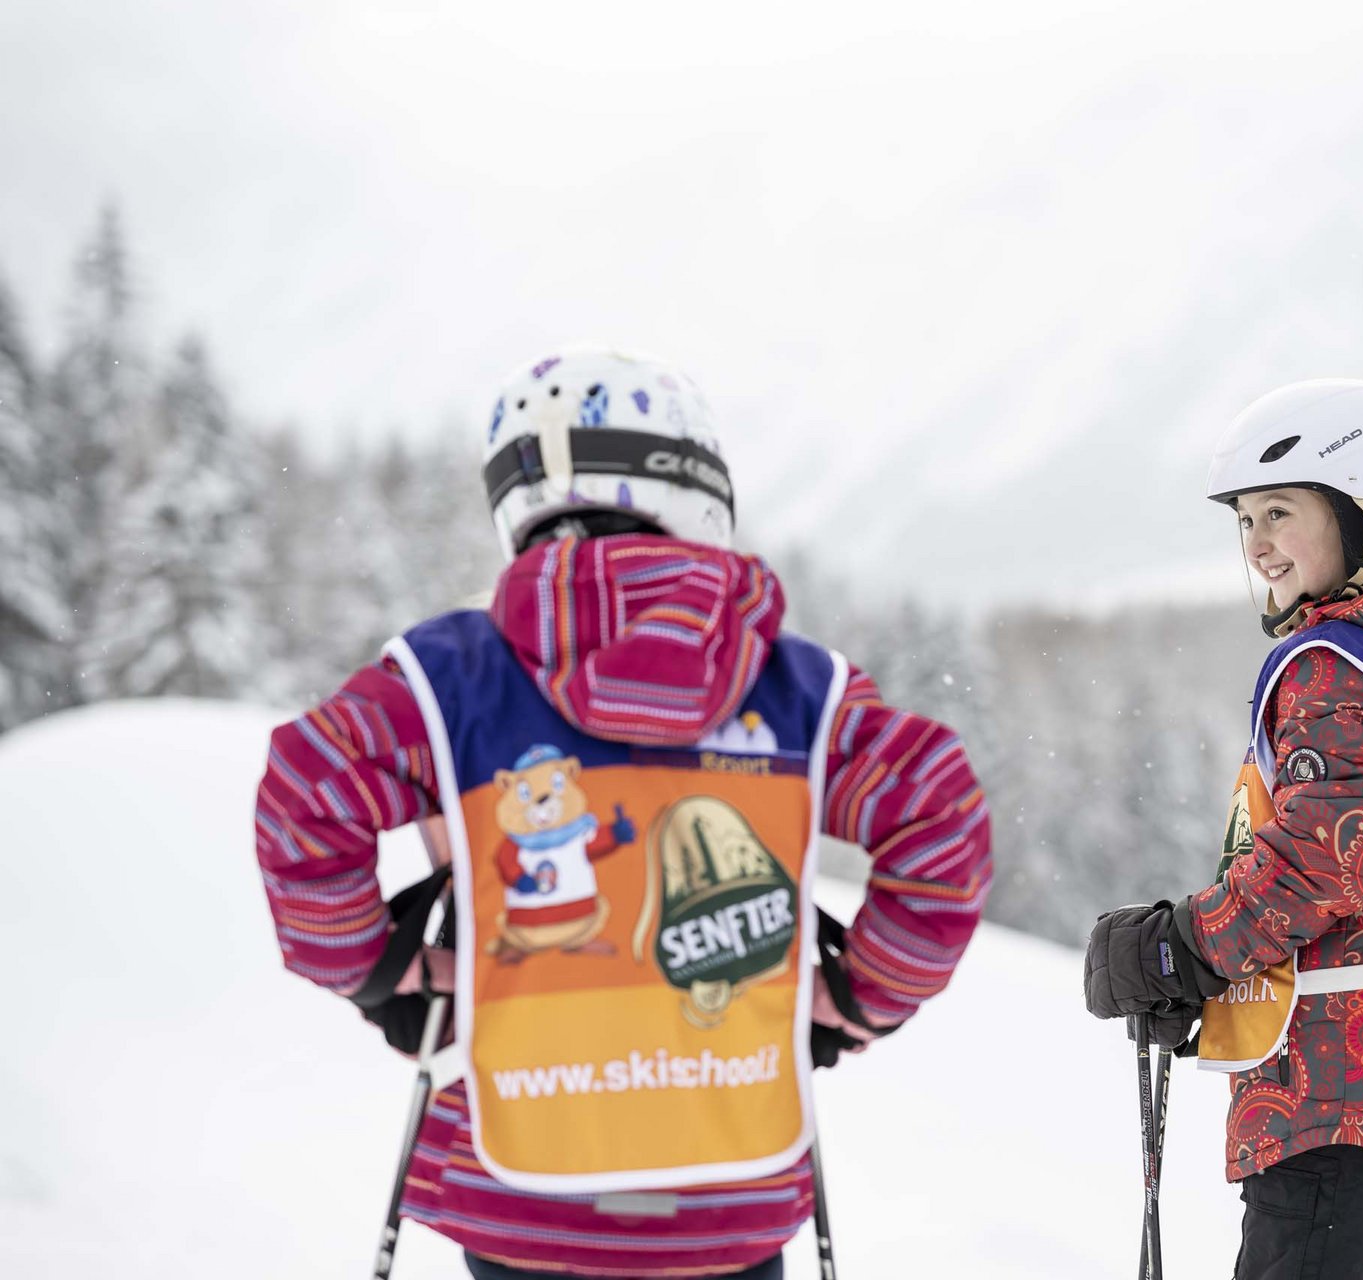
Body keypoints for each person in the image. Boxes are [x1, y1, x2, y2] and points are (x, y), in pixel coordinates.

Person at [255, 347, 993, 1279]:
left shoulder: (453, 680)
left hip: (521, 1195)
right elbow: (941, 816)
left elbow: (308, 792)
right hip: (730, 1196)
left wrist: (379, 966)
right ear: (695, 484)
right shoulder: (798, 692)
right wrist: (855, 996)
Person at [1083, 379, 1363, 1280]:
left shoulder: (1331, 669)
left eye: (1279, 512)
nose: (1255, 544)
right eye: (1244, 520)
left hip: (1344, 1094)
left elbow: (1319, 862)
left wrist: (1181, 950)